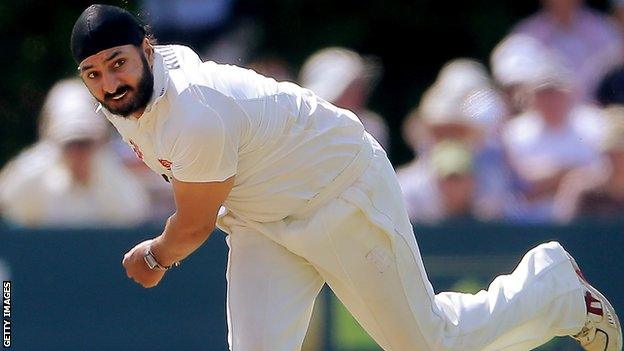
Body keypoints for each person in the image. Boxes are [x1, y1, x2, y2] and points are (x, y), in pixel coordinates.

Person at [70, 5, 622, 351]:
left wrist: (155, 257)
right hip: (262, 222)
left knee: (427, 345)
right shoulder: (130, 100)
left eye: (119, 63)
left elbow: (191, 228)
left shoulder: (193, 110)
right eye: (94, 74)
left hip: (338, 194)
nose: (110, 82)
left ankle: (553, 289)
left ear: (146, 48)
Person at [0, 78, 150, 228]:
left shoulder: (114, 178)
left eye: (85, 143)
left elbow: (133, 213)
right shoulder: (33, 172)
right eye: (71, 144)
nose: (78, 151)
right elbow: (9, 204)